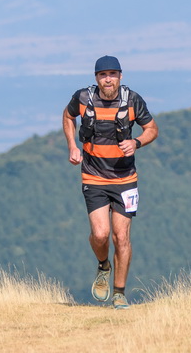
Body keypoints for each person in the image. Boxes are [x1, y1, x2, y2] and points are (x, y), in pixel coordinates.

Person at [62, 55, 158, 309]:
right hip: (93, 176)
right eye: (103, 75)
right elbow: (68, 116)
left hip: (126, 179)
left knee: (121, 237)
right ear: (96, 78)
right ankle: (103, 265)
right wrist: (72, 146)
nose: (108, 79)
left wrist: (136, 142)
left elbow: (152, 129)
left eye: (112, 74)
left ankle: (119, 293)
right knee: (100, 234)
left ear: (120, 76)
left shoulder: (132, 100)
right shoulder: (83, 98)